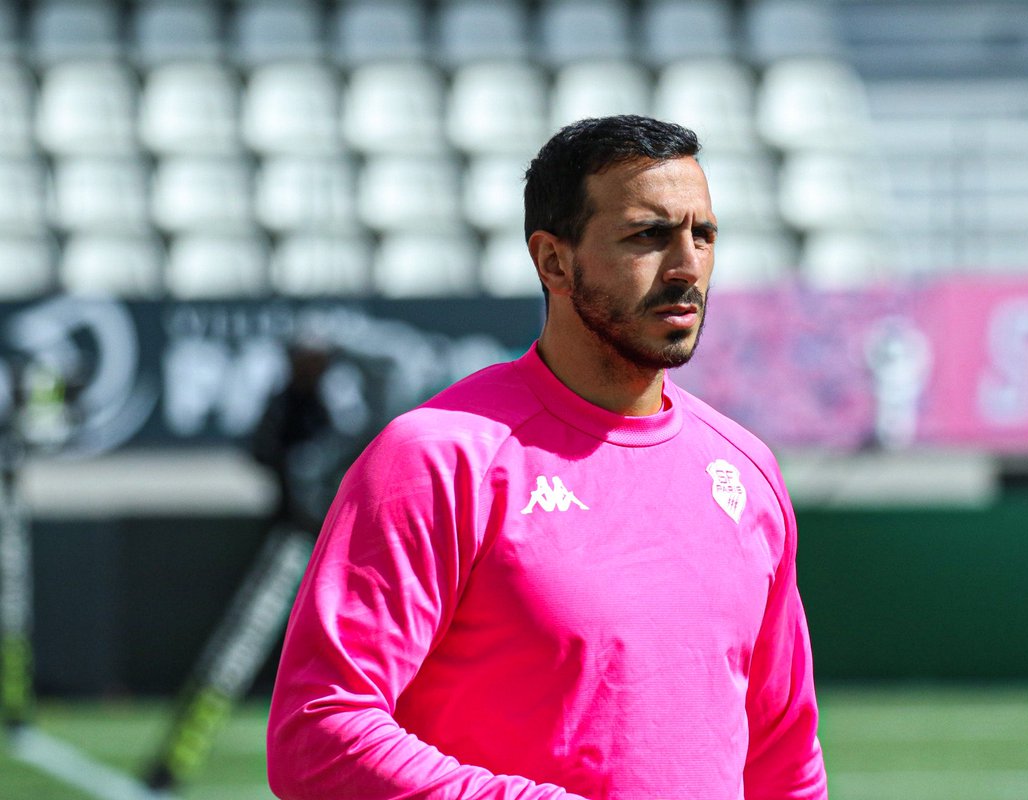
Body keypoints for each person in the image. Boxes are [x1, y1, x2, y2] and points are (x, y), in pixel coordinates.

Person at [266, 115, 827, 800]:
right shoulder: (437, 460)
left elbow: (783, 762)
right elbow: (317, 735)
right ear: (554, 261)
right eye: (648, 236)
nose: (686, 267)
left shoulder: (746, 470)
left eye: (702, 235)